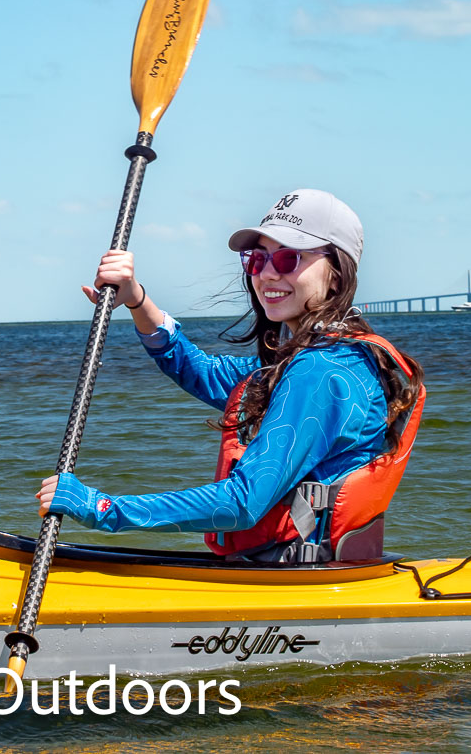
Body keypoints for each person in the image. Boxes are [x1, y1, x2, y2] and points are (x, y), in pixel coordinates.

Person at [36, 189, 425, 562]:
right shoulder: (318, 355)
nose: (268, 275)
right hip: (292, 566)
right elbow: (202, 373)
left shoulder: (321, 372)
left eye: (289, 259)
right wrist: (137, 299)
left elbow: (242, 502)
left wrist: (102, 508)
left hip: (293, 579)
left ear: (337, 274)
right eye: (258, 260)